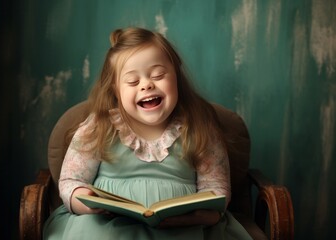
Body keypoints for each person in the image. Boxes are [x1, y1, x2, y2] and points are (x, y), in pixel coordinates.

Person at [43, 27, 252, 240]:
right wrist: (85, 201)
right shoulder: (100, 126)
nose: (147, 85)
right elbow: (71, 180)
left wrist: (204, 216)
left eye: (158, 75)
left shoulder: (199, 128)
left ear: (176, 77)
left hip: (184, 228)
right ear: (115, 89)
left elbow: (217, 188)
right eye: (133, 81)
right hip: (107, 226)